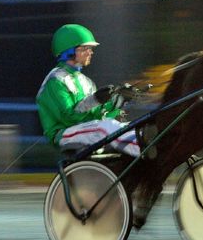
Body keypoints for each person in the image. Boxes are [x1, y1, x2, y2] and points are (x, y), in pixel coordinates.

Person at [36, 23, 141, 158]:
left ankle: (146, 145)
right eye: (85, 48)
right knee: (104, 128)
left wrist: (118, 101)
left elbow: (97, 115)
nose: (90, 52)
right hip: (63, 134)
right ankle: (142, 151)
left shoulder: (86, 82)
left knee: (130, 126)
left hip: (85, 129)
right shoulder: (56, 80)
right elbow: (68, 117)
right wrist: (96, 99)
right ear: (70, 51)